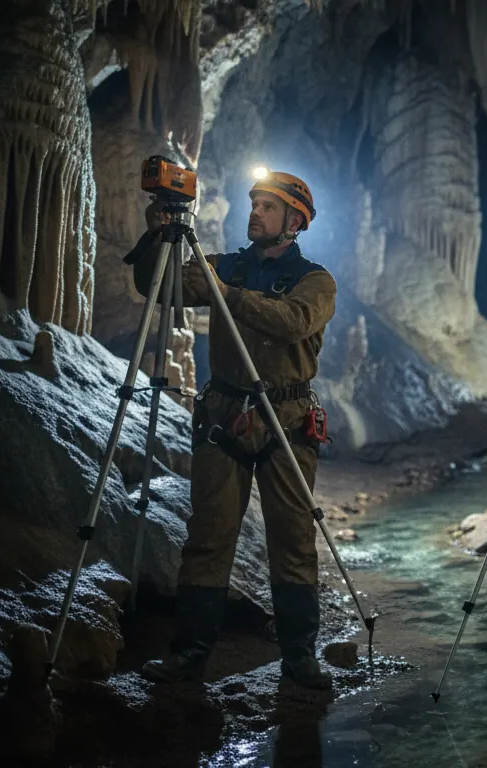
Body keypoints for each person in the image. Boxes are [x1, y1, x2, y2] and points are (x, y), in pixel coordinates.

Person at [131, 170, 337, 688]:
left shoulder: (316, 281)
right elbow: (160, 288)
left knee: (292, 539)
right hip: (225, 414)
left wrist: (228, 293)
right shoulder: (223, 265)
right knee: (209, 535)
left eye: (268, 207)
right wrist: (157, 233)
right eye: (254, 204)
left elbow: (292, 322)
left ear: (294, 222)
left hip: (287, 419)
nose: (255, 213)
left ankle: (299, 658)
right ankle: (190, 654)